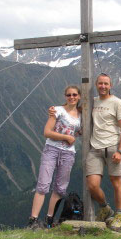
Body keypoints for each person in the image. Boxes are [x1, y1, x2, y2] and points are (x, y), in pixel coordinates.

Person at [28, 85, 81, 229]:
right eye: (69, 95)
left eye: (74, 95)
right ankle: (33, 220)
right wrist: (66, 137)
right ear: (65, 96)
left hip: (68, 153)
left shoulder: (81, 114)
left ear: (79, 96)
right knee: (43, 185)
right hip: (51, 149)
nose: (72, 97)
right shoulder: (57, 110)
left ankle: (49, 220)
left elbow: (80, 130)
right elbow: (47, 132)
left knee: (60, 189)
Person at [87, 73, 121, 231]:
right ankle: (105, 208)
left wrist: (120, 151)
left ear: (111, 85)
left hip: (112, 148)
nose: (103, 86)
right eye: (100, 84)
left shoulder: (117, 102)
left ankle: (118, 216)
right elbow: (74, 106)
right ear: (96, 85)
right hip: (94, 148)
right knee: (92, 185)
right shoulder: (93, 102)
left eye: (106, 84)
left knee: (116, 183)